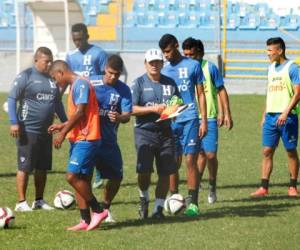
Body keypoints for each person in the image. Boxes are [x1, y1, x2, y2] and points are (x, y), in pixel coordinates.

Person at [48, 60, 108, 231]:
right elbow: (79, 114)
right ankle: (85, 220)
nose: (55, 83)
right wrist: (63, 126)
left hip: (86, 139)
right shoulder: (75, 85)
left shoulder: (80, 84)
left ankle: (98, 210)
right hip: (79, 138)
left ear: (60, 73)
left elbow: (81, 112)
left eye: (54, 78)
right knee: (82, 179)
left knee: (72, 177)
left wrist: (63, 133)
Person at [7, 47, 67, 212]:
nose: (49, 64)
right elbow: (12, 99)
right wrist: (14, 122)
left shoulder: (52, 80)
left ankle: (39, 200)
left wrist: (67, 123)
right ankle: (21, 202)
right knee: (25, 167)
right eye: (46, 61)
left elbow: (57, 104)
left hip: (46, 131)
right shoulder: (26, 76)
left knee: (42, 167)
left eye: (51, 61)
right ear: (36, 61)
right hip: (28, 130)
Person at [158, 34, 207, 217]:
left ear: (176, 46)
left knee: (190, 160)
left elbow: (201, 94)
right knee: (173, 162)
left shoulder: (193, 65)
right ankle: (174, 199)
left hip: (191, 118)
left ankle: (193, 203)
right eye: (164, 53)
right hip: (171, 120)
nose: (166, 55)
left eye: (169, 51)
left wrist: (203, 120)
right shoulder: (164, 70)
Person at [182, 37, 233, 204]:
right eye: (186, 54)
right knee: (194, 155)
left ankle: (212, 185)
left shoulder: (209, 68)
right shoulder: (182, 69)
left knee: (210, 154)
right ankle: (194, 189)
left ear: (200, 53)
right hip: (189, 118)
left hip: (209, 117)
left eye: (192, 54)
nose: (188, 57)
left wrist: (226, 113)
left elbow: (220, 90)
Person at [131, 48, 178, 219]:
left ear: (162, 63)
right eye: (151, 62)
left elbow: (176, 103)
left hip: (166, 132)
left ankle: (158, 208)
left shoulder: (170, 83)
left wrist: (173, 112)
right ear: (145, 64)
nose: (155, 65)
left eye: (158, 62)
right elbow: (131, 108)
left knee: (165, 171)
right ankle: (144, 198)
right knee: (144, 171)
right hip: (145, 131)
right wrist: (153, 109)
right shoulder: (138, 83)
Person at [251, 37, 300, 197]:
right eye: (267, 50)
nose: (268, 54)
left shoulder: (293, 68)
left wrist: (285, 112)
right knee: (267, 151)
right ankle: (264, 187)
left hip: (288, 117)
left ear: (280, 50)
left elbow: (298, 93)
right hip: (271, 118)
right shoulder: (271, 68)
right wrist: (265, 113)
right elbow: (270, 92)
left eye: (270, 50)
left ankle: (293, 186)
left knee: (291, 151)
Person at [66, 22, 108, 189]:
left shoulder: (99, 53)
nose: (78, 43)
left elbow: (106, 78)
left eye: (80, 39)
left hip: (96, 103)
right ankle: (79, 168)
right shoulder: (70, 56)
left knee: (95, 137)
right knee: (77, 135)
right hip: (77, 102)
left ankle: (98, 172)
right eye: (75, 40)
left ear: (87, 36)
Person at [91, 55, 132, 223]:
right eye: (110, 73)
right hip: (88, 139)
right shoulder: (91, 83)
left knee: (116, 176)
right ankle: (87, 214)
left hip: (108, 141)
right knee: (82, 177)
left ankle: (105, 209)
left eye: (117, 74)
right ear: (104, 69)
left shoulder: (124, 89)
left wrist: (120, 117)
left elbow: (127, 115)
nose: (113, 77)